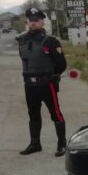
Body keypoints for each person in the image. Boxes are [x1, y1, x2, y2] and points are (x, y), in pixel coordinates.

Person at [17, 8, 67, 157]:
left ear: (42, 22)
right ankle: (35, 144)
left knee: (55, 113)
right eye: (30, 20)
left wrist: (53, 75)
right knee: (33, 115)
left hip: (47, 84)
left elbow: (61, 63)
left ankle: (61, 144)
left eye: (36, 20)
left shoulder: (50, 41)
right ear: (27, 22)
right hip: (30, 85)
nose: (33, 23)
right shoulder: (23, 40)